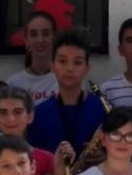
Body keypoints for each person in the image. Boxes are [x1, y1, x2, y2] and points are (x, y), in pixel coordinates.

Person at [27, 29, 107, 158]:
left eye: (77, 62)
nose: (69, 69)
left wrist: (105, 157)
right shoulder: (39, 113)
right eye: (62, 61)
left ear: (87, 68)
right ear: (52, 66)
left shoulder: (102, 109)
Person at [5, 10, 60, 105]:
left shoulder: (69, 78)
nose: (40, 40)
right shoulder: (13, 83)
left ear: (54, 37)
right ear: (26, 39)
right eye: (34, 34)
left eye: (46, 34)